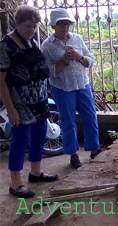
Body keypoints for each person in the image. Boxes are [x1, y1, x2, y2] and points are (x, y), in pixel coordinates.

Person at [0, 5, 58, 198]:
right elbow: (0, 80)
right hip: (20, 103)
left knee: (39, 135)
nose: (31, 30)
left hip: (39, 99)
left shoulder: (30, 41)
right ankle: (15, 183)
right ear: (16, 23)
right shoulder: (6, 44)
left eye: (34, 26)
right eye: (27, 26)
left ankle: (35, 172)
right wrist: (10, 108)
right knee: (20, 140)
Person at [41, 8, 102, 169]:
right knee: (68, 122)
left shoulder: (77, 39)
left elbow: (90, 60)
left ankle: (95, 149)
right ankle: (73, 154)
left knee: (90, 117)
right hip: (62, 88)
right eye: (61, 24)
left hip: (82, 84)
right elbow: (47, 72)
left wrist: (79, 57)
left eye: (67, 24)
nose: (65, 27)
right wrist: (63, 61)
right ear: (53, 25)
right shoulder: (47, 46)